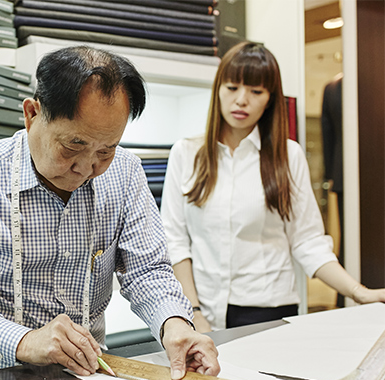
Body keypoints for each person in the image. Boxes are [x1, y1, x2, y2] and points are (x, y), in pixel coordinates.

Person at [0, 46, 220, 380]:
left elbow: (146, 271)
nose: (87, 167)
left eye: (106, 150)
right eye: (73, 146)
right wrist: (24, 340)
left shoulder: (126, 173)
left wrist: (173, 324)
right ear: (32, 115)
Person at [160, 42, 385, 333]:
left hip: (269, 310)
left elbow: (308, 242)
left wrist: (358, 292)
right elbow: (175, 240)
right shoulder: (187, 152)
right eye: (232, 88)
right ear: (218, 89)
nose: (242, 100)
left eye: (256, 91)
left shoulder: (288, 156)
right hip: (203, 310)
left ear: (269, 99)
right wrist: (193, 309)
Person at [321, 73, 345, 308]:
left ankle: (343, 299)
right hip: (344, 175)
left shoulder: (333, 86)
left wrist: (330, 173)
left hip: (341, 174)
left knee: (346, 240)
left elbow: (327, 134)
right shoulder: (334, 87)